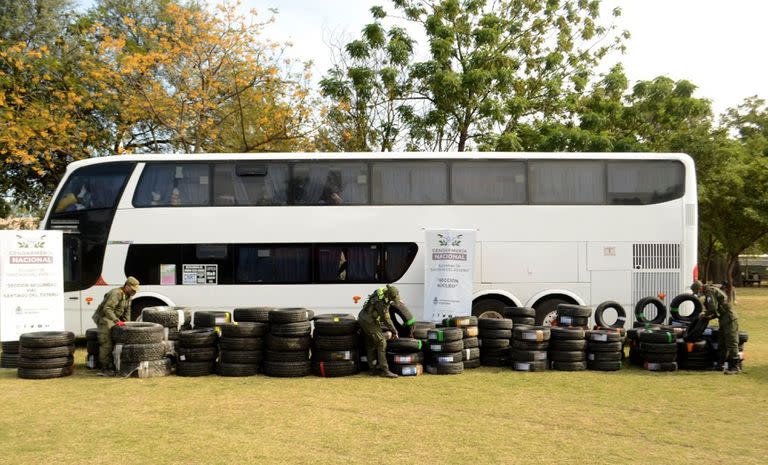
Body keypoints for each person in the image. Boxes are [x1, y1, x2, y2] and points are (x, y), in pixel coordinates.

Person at [92, 277, 139, 376]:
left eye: (135, 290)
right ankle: (105, 368)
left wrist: (127, 324)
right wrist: (117, 321)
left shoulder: (128, 296)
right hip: (105, 318)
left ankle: (112, 364)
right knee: (106, 343)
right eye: (132, 289)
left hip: (113, 318)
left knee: (115, 342)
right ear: (127, 286)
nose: (134, 292)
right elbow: (107, 309)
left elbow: (127, 311)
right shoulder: (116, 293)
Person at [691, 280, 741, 374]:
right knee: (722, 343)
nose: (698, 294)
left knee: (731, 341)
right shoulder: (709, 292)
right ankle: (720, 365)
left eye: (697, 291)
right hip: (723, 319)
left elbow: (713, 308)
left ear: (700, 288)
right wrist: (708, 316)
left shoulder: (710, 291)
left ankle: (734, 367)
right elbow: (717, 310)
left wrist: (705, 314)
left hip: (729, 319)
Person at [358, 284, 401, 378]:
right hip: (369, 321)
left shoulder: (381, 292)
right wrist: (394, 331)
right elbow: (386, 319)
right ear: (388, 295)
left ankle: (372, 369)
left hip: (363, 317)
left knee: (370, 343)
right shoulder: (381, 303)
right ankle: (385, 370)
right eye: (392, 298)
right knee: (381, 342)